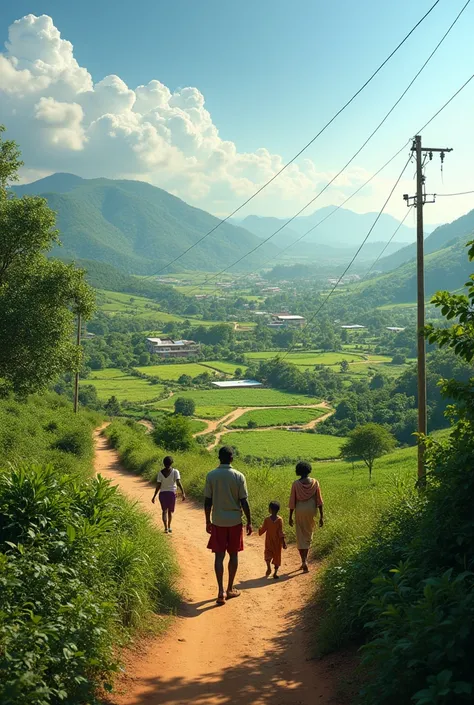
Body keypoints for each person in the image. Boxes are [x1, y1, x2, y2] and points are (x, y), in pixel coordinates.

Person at [204, 446, 252, 605]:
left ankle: (220, 591)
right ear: (232, 458)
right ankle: (230, 588)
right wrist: (250, 522)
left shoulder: (211, 476)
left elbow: (207, 501)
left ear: (219, 457)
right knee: (233, 555)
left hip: (218, 521)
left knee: (219, 556)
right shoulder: (239, 476)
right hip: (235, 521)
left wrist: (207, 521)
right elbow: (244, 501)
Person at [288, 460, 323, 573]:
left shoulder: (296, 484)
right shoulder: (315, 482)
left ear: (298, 471)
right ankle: (305, 559)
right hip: (312, 510)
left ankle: (303, 560)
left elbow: (292, 502)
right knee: (308, 534)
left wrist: (290, 516)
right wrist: (321, 516)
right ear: (309, 470)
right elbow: (319, 501)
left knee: (300, 535)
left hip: (300, 510)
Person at [151, 456, 185, 533]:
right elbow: (178, 483)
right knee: (170, 512)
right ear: (172, 463)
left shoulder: (160, 473)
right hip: (171, 494)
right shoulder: (175, 471)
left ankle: (165, 528)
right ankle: (169, 527)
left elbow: (158, 485)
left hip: (162, 494)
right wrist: (183, 492)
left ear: (163, 463)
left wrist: (154, 496)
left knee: (164, 511)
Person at [259, 501, 287, 579]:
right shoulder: (280, 520)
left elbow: (263, 529)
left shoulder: (267, 519)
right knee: (277, 556)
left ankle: (268, 567)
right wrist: (284, 542)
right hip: (277, 542)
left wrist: (260, 528)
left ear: (270, 509)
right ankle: (275, 573)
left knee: (268, 553)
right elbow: (281, 532)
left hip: (269, 541)